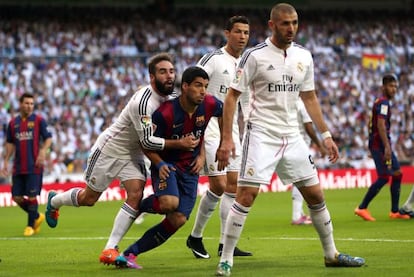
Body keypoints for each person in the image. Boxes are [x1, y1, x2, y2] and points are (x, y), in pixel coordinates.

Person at [214, 3, 365, 276]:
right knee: (246, 195)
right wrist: (227, 139)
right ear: (272, 25)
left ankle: (331, 254)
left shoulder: (304, 56)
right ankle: (226, 259)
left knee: (316, 195)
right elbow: (232, 96)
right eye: (285, 23)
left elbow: (309, 97)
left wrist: (326, 135)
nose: (291, 28)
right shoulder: (254, 56)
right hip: (261, 133)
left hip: (292, 136)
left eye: (295, 22)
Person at [44, 53, 199, 265]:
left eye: (171, 71)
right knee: (89, 199)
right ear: (151, 77)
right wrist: (180, 144)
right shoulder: (143, 103)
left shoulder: (172, 98)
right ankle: (54, 200)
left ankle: (109, 248)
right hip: (110, 149)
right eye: (163, 72)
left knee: (135, 194)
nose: (169, 76)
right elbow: (149, 141)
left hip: (133, 153)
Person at [113, 66, 223, 269]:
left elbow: (222, 113)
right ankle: (139, 205)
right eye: (198, 86)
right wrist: (160, 163)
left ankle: (129, 254)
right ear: (185, 86)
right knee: (169, 203)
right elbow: (145, 143)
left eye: (206, 87)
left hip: (191, 168)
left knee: (179, 218)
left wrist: (203, 155)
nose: (203, 91)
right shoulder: (165, 113)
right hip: (167, 165)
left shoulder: (209, 104)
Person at [186, 15, 252, 259]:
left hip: (232, 129)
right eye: (238, 31)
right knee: (220, 184)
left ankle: (225, 244)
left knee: (233, 186)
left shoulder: (247, 63)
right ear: (227, 33)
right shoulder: (213, 59)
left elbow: (245, 102)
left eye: (246, 32)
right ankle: (196, 236)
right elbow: (191, 84)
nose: (243, 36)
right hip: (209, 127)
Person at [354, 74, 410, 221]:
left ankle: (394, 211)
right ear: (384, 87)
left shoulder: (380, 102)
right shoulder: (383, 103)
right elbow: (380, 125)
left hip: (380, 144)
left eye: (395, 87)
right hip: (381, 145)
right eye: (391, 86)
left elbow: (370, 124)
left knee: (397, 173)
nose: (394, 89)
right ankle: (362, 207)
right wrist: (385, 147)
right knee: (384, 177)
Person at [1, 93, 52, 236]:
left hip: (34, 166)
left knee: (31, 197)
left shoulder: (39, 121)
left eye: (32, 104)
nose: (29, 106)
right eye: (27, 103)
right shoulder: (13, 123)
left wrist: (43, 151)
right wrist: (5, 160)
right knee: (16, 197)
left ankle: (30, 226)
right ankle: (36, 216)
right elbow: (10, 144)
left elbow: (48, 139)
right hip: (18, 166)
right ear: (20, 104)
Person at [291, 99, 327, 225]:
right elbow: (308, 127)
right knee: (302, 179)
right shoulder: (303, 104)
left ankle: (298, 212)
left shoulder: (292, 102)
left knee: (298, 179)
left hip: (291, 145)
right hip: (300, 146)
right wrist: (319, 145)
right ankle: (296, 216)